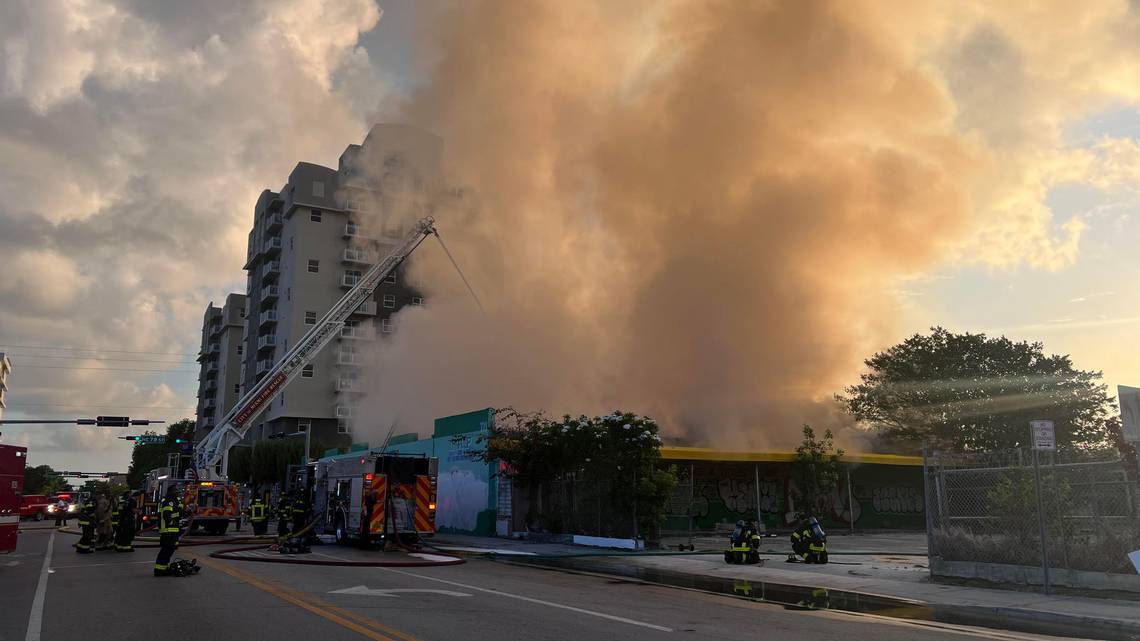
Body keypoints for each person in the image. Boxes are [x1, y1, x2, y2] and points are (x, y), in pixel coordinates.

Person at [154, 486, 183, 576]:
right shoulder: (168, 502)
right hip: (168, 530)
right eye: (176, 491)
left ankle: (163, 568)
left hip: (171, 530)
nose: (177, 493)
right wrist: (177, 517)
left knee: (168, 551)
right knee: (166, 551)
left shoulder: (172, 501)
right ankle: (160, 570)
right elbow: (167, 516)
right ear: (171, 492)